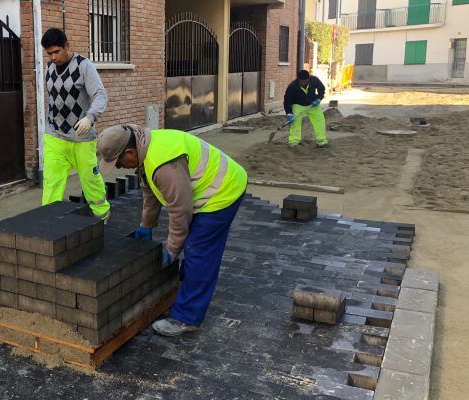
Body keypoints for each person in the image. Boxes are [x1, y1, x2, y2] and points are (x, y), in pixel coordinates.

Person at [97, 125, 248, 336]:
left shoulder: (164, 164)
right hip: (204, 189)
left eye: (118, 162)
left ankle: (187, 317)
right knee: (193, 247)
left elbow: (180, 211)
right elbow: (150, 189)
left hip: (222, 191)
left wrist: (172, 248)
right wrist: (146, 225)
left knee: (198, 251)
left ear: (129, 152)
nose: (120, 167)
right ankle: (189, 285)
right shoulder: (144, 146)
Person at [40, 28, 110, 220]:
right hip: (55, 136)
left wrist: (90, 117)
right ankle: (48, 221)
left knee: (90, 180)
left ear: (67, 46)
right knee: (51, 182)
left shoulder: (83, 66)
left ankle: (102, 215)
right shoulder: (49, 68)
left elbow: (100, 95)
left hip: (82, 138)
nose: (53, 57)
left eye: (56, 52)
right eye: (49, 53)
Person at [284, 69, 329, 148]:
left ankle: (321, 141)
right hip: (298, 105)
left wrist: (318, 99)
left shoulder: (314, 80)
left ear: (309, 79)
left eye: (305, 81)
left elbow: (322, 90)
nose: (303, 83)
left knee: (320, 120)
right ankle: (294, 141)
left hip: (312, 104)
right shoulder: (292, 86)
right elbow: (287, 101)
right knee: (295, 122)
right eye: (301, 81)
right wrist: (289, 113)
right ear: (298, 80)